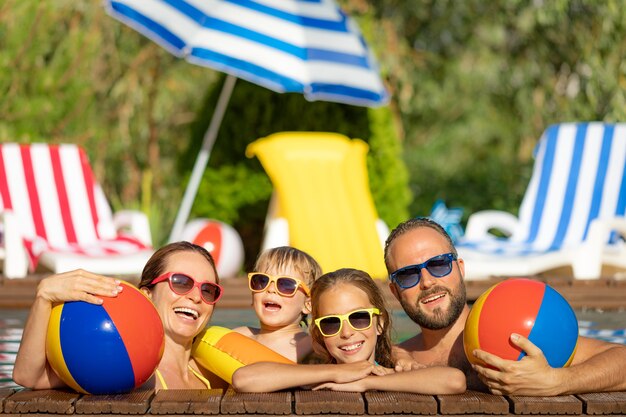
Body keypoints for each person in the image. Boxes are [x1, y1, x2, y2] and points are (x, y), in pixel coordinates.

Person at [385, 217, 626, 395]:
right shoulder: (392, 359)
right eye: (408, 276)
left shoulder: (511, 329)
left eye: (439, 265)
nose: (427, 282)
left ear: (460, 268)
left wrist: (558, 381)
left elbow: (621, 359)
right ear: (395, 291)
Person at [13, 241, 227, 390]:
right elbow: (29, 376)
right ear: (147, 295)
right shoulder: (126, 368)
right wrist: (43, 298)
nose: (196, 297)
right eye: (181, 282)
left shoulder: (214, 372)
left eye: (208, 290)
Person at [232, 268, 466, 393]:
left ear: (380, 323)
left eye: (359, 318)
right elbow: (245, 379)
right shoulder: (315, 377)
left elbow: (453, 380)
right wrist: (335, 373)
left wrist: (366, 382)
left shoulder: (391, 374)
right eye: (331, 323)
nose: (346, 332)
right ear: (319, 333)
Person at [233, 246, 323, 362]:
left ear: (308, 304)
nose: (270, 289)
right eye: (262, 281)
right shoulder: (238, 336)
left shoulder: (311, 347)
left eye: (286, 284)